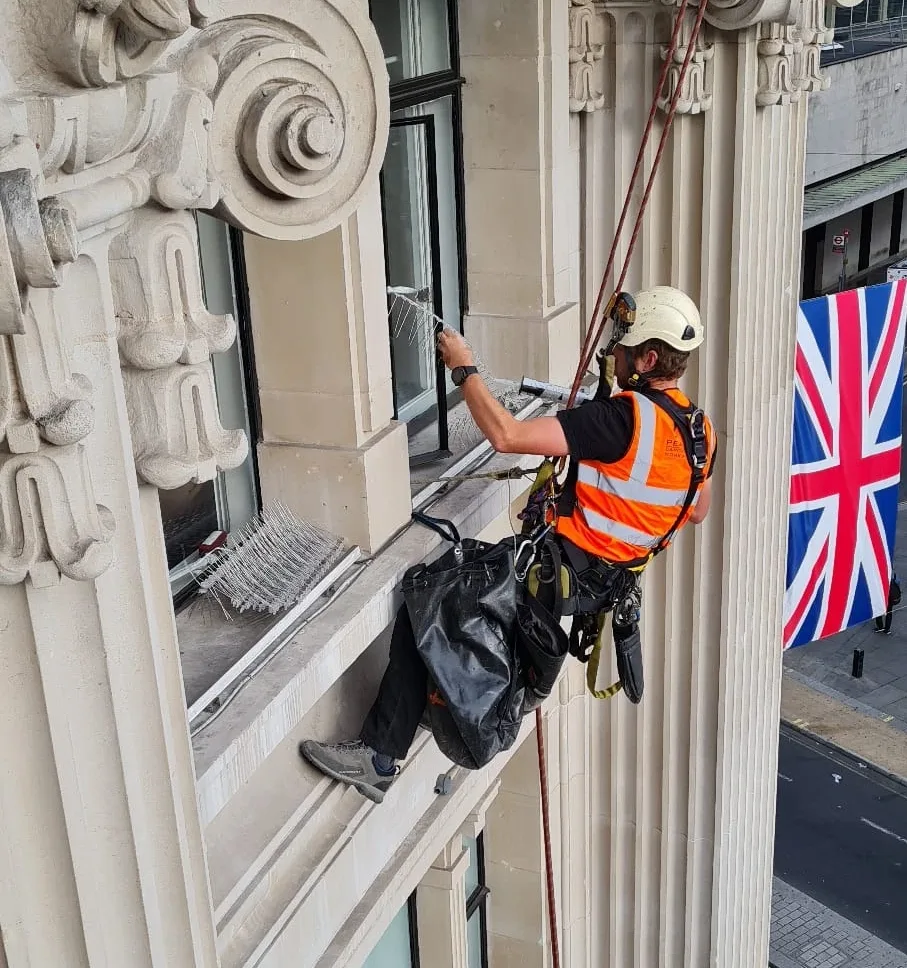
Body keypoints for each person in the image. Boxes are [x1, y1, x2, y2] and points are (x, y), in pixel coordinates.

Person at [299, 286, 718, 803]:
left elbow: (507, 436)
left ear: (649, 358)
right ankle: (432, 701)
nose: (614, 353)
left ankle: (379, 756)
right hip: (601, 586)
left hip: (557, 571)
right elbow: (695, 510)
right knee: (460, 611)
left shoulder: (621, 420)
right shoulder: (700, 432)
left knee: (429, 598)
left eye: (624, 348)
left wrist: (464, 369)